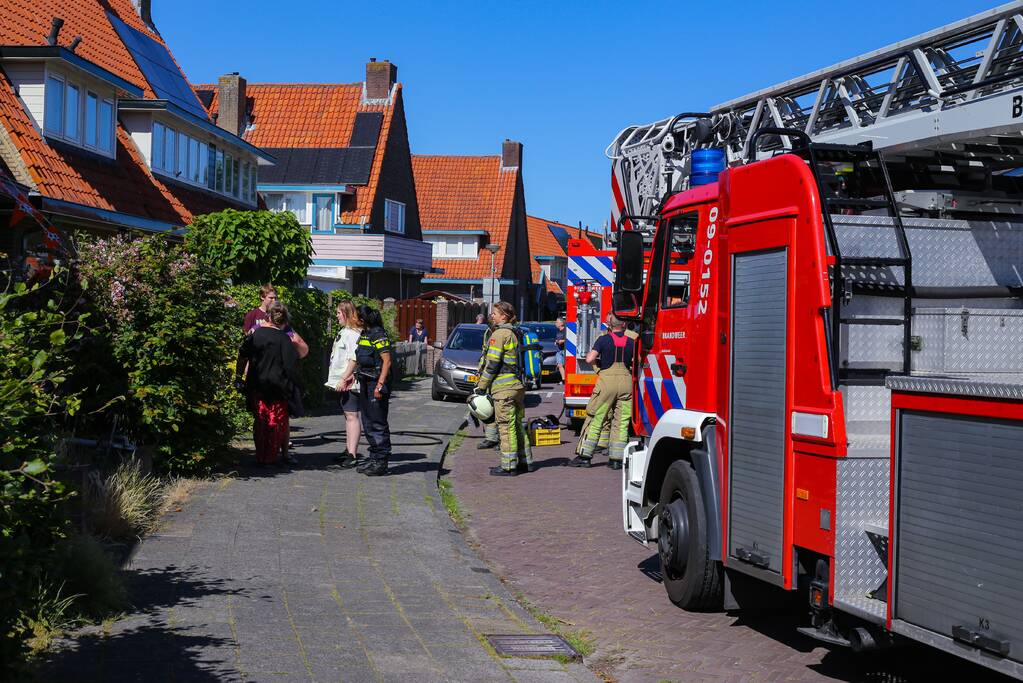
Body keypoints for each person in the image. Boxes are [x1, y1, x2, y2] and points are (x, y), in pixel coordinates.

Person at [236, 302, 301, 467]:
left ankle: (261, 455)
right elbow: (291, 366)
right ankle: (270, 457)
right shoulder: (285, 340)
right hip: (278, 387)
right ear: (285, 321)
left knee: (260, 420)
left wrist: (239, 377)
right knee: (275, 421)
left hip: (257, 384)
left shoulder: (255, 335)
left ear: (269, 317)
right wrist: (296, 386)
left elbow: (242, 355)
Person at [475, 301, 534, 476]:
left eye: (495, 313)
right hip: (516, 387)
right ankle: (526, 461)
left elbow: (492, 364)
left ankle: (508, 466)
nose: (491, 316)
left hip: (504, 388)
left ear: (504, 316)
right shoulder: (515, 332)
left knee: (506, 427)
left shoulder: (499, 334)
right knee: (517, 425)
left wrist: (481, 386)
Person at [571, 314, 635, 470]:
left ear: (609, 325)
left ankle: (585, 456)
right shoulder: (632, 341)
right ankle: (616, 460)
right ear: (624, 324)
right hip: (626, 382)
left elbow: (589, 358)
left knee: (596, 418)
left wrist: (599, 368)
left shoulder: (603, 339)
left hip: (607, 383)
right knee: (621, 422)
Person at [353, 305, 393, 476]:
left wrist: (379, 385)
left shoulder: (378, 334)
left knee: (377, 423)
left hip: (375, 384)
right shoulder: (365, 334)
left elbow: (387, 361)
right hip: (364, 382)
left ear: (363, 319)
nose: (353, 318)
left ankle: (381, 461)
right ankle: (374, 457)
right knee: (368, 422)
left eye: (355, 316)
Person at [326, 301, 363, 469]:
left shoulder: (353, 334)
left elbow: (354, 358)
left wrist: (344, 378)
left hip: (349, 383)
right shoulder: (344, 331)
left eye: (339, 313)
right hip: (342, 382)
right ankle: (348, 449)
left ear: (347, 314)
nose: (337, 315)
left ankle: (352, 454)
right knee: (347, 416)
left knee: (352, 416)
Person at [476, 319, 501, 451]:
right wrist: (480, 370)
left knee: (501, 412)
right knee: (489, 410)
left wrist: (483, 383)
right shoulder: (488, 333)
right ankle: (491, 438)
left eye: (495, 314)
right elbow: (485, 354)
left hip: (500, 380)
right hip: (489, 378)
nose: (492, 315)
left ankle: (501, 440)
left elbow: (494, 362)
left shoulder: (504, 335)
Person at [553, 317, 567, 384]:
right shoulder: (558, 331)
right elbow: (557, 339)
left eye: (557, 322)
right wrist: (556, 341)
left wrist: (562, 341)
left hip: (565, 350)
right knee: (560, 365)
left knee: (566, 365)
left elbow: (567, 339)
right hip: (559, 350)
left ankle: (566, 379)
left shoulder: (566, 330)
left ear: (561, 323)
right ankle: (563, 380)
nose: (555, 323)